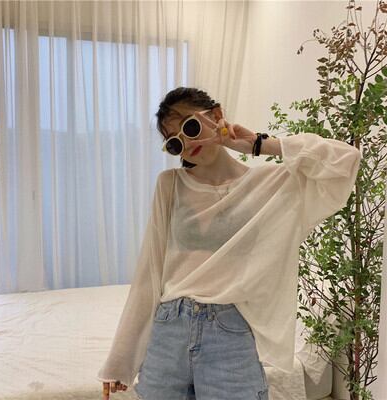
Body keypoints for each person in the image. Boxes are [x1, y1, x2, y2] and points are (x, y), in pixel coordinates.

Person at [98, 87, 362, 400]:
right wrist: (121, 360)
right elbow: (148, 274)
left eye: (190, 127)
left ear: (217, 115)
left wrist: (258, 144)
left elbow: (346, 161)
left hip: (230, 333)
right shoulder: (170, 185)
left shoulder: (270, 184)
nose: (187, 144)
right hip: (169, 329)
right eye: (175, 143)